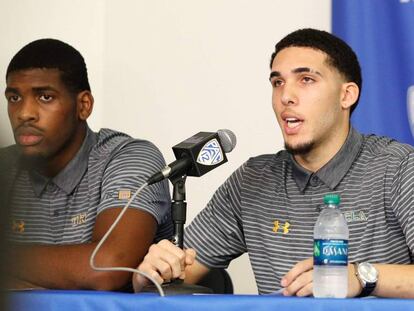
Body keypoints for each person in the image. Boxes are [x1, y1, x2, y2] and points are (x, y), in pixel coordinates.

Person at [133, 28, 414, 298]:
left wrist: (362, 277)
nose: (285, 97)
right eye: (278, 82)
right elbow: (174, 277)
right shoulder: (252, 181)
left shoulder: (398, 168)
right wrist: (151, 274)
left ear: (346, 95)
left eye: (306, 80)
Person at [1, 39, 172, 290]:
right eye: (14, 97)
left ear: (83, 105)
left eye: (45, 97)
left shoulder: (130, 157)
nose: (24, 113)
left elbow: (106, 268)